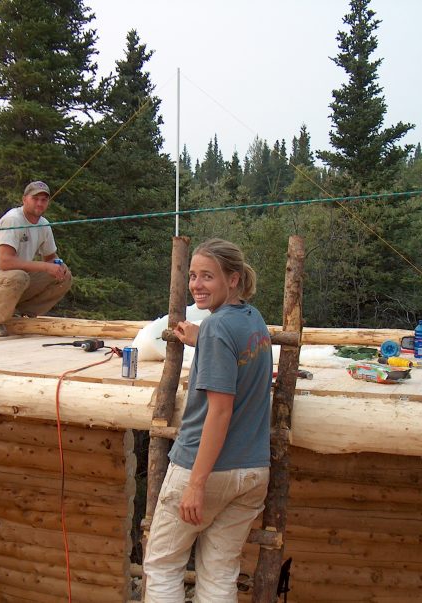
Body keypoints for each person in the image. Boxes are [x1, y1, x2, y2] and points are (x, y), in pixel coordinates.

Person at [144, 238, 273, 602]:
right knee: (218, 574)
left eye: (208, 277)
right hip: (251, 473)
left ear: (233, 279)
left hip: (205, 468)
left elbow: (220, 411)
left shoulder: (218, 328)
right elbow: (235, 354)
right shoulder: (253, 320)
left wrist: (196, 484)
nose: (196, 285)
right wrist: (203, 339)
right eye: (193, 276)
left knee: (164, 565)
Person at [0, 181, 72, 336]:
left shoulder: (44, 225)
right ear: (25, 199)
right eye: (35, 198)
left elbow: (51, 257)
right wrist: (45, 266)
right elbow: (6, 262)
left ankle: (19, 312)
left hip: (16, 282)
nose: (39, 203)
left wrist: (58, 266)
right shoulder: (13, 219)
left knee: (64, 276)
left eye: (44, 200)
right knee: (19, 276)